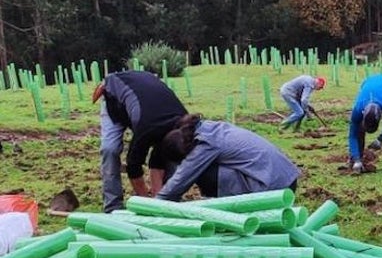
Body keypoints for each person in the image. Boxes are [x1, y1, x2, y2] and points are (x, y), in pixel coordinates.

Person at [92, 70, 188, 213]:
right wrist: (146, 205)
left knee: (172, 157)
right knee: (109, 149)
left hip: (143, 102)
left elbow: (159, 158)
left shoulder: (185, 123)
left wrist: (158, 198)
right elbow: (133, 165)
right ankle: (112, 206)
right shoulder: (146, 128)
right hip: (115, 99)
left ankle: (168, 199)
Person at [155, 115, 301, 201]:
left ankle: (220, 209)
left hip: (273, 190)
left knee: (204, 173)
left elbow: (181, 179)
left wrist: (155, 205)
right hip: (287, 180)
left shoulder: (206, 143)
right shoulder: (211, 128)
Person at [349, 73, 382, 174]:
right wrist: (356, 159)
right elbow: (352, 135)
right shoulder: (358, 108)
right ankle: (356, 161)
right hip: (367, 83)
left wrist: (381, 139)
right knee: (359, 129)